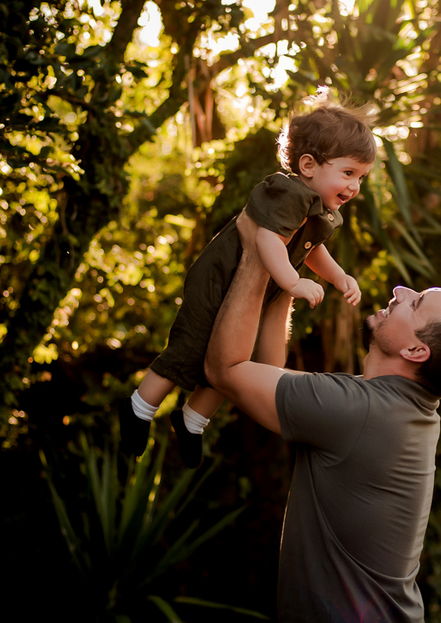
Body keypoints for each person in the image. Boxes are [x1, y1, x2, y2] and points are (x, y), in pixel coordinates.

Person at [204, 208, 441, 623]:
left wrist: (258, 248)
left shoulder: (360, 412)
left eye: (416, 301)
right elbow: (265, 376)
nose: (400, 290)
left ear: (417, 349)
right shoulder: (392, 409)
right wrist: (289, 272)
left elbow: (224, 370)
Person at [119, 98, 376, 468]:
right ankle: (139, 407)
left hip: (258, 288)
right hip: (220, 279)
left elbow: (312, 247)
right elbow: (268, 240)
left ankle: (191, 420)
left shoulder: (319, 207)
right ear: (308, 165)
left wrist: (339, 276)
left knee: (231, 359)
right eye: (349, 173)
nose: (355, 186)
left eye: (361, 177)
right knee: (192, 346)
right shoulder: (289, 193)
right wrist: (293, 282)